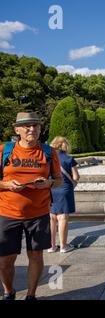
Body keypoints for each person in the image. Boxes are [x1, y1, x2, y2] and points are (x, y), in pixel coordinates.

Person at [0, 112, 63, 300]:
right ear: (17, 129)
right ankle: (9, 291)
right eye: (26, 126)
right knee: (4, 261)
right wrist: (6, 185)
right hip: (8, 212)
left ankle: (31, 295)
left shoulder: (49, 152)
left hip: (39, 213)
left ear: (40, 129)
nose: (32, 129)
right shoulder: (4, 150)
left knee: (36, 256)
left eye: (35, 125)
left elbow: (59, 180)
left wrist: (49, 184)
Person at [49, 137, 80, 254]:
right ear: (65, 146)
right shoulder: (68, 158)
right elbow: (76, 177)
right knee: (62, 218)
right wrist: (74, 183)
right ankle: (63, 246)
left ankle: (51, 246)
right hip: (64, 189)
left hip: (51, 189)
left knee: (51, 218)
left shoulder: (48, 158)